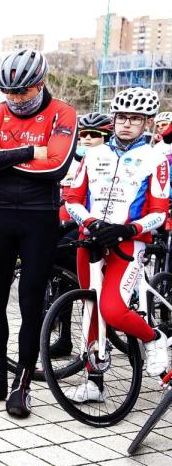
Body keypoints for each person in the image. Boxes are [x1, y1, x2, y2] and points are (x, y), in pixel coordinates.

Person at [0, 49, 77, 418]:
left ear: (40, 84)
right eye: (8, 92)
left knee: (29, 301)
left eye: (22, 92)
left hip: (39, 216)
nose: (14, 99)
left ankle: (22, 385)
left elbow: (56, 166)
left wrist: (3, 154)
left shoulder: (63, 113)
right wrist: (31, 150)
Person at [64, 87, 170, 401]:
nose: (126, 124)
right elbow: (73, 199)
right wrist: (90, 222)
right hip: (91, 240)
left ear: (147, 123)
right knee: (90, 310)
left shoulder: (156, 159)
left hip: (128, 244)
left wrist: (127, 230)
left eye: (135, 119)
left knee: (112, 309)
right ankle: (94, 382)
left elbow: (159, 213)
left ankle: (154, 338)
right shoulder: (94, 154)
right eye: (122, 117)